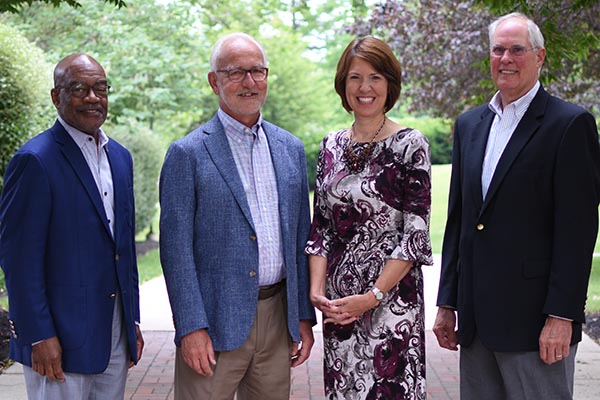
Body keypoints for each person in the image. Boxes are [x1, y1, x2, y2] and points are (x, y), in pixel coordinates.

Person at [434, 12, 600, 399]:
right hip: (475, 325)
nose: (505, 58)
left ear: (539, 57)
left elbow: (577, 231)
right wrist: (447, 302)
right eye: (497, 50)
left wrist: (562, 316)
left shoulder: (570, 125)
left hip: (535, 324)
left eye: (516, 50)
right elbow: (460, 221)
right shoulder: (469, 125)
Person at [159, 32, 316, 400]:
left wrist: (303, 317)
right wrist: (190, 327)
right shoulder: (187, 154)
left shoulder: (290, 148)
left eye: (257, 71)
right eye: (235, 73)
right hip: (213, 326)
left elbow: (300, 240)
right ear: (214, 81)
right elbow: (175, 250)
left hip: (278, 320)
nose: (249, 82)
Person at [0, 53, 144, 399]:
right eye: (79, 88)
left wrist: (132, 321)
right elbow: (18, 261)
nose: (93, 97)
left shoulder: (120, 158)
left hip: (113, 332)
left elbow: (123, 248)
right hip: (58, 339)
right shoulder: (35, 160)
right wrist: (37, 335)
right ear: (56, 96)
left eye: (101, 88)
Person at [305, 36, 433, 399]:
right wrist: (317, 292)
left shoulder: (410, 144)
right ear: (342, 85)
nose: (365, 88)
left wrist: (373, 296)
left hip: (392, 304)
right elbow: (322, 229)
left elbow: (415, 234)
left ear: (389, 84)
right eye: (355, 78)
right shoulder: (330, 145)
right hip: (339, 309)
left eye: (375, 77)